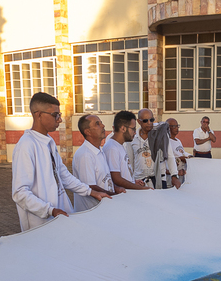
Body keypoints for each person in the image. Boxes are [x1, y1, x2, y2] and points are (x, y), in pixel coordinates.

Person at [13, 92, 109, 229]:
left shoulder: (49, 141)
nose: (59, 120)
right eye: (55, 115)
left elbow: (63, 176)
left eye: (59, 115)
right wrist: (50, 210)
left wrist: (91, 192)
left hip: (59, 216)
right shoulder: (26, 145)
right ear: (38, 115)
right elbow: (19, 193)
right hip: (40, 224)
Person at [72, 113, 121, 212]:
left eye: (101, 123)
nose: (103, 126)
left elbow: (103, 180)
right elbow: (90, 187)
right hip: (92, 213)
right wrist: (114, 196)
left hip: (105, 210)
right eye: (97, 124)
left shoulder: (99, 151)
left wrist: (116, 188)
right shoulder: (85, 155)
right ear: (88, 132)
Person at [128, 108, 182, 189]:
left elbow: (170, 156)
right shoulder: (133, 138)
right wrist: (132, 181)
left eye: (151, 120)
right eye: (145, 121)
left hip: (159, 179)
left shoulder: (161, 135)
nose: (149, 123)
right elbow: (130, 162)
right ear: (139, 121)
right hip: (140, 181)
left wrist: (174, 176)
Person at [104, 110, 148, 191]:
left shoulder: (119, 145)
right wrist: (141, 189)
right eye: (133, 129)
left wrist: (133, 182)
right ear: (123, 128)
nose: (135, 133)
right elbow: (116, 179)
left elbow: (123, 174)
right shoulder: (112, 148)